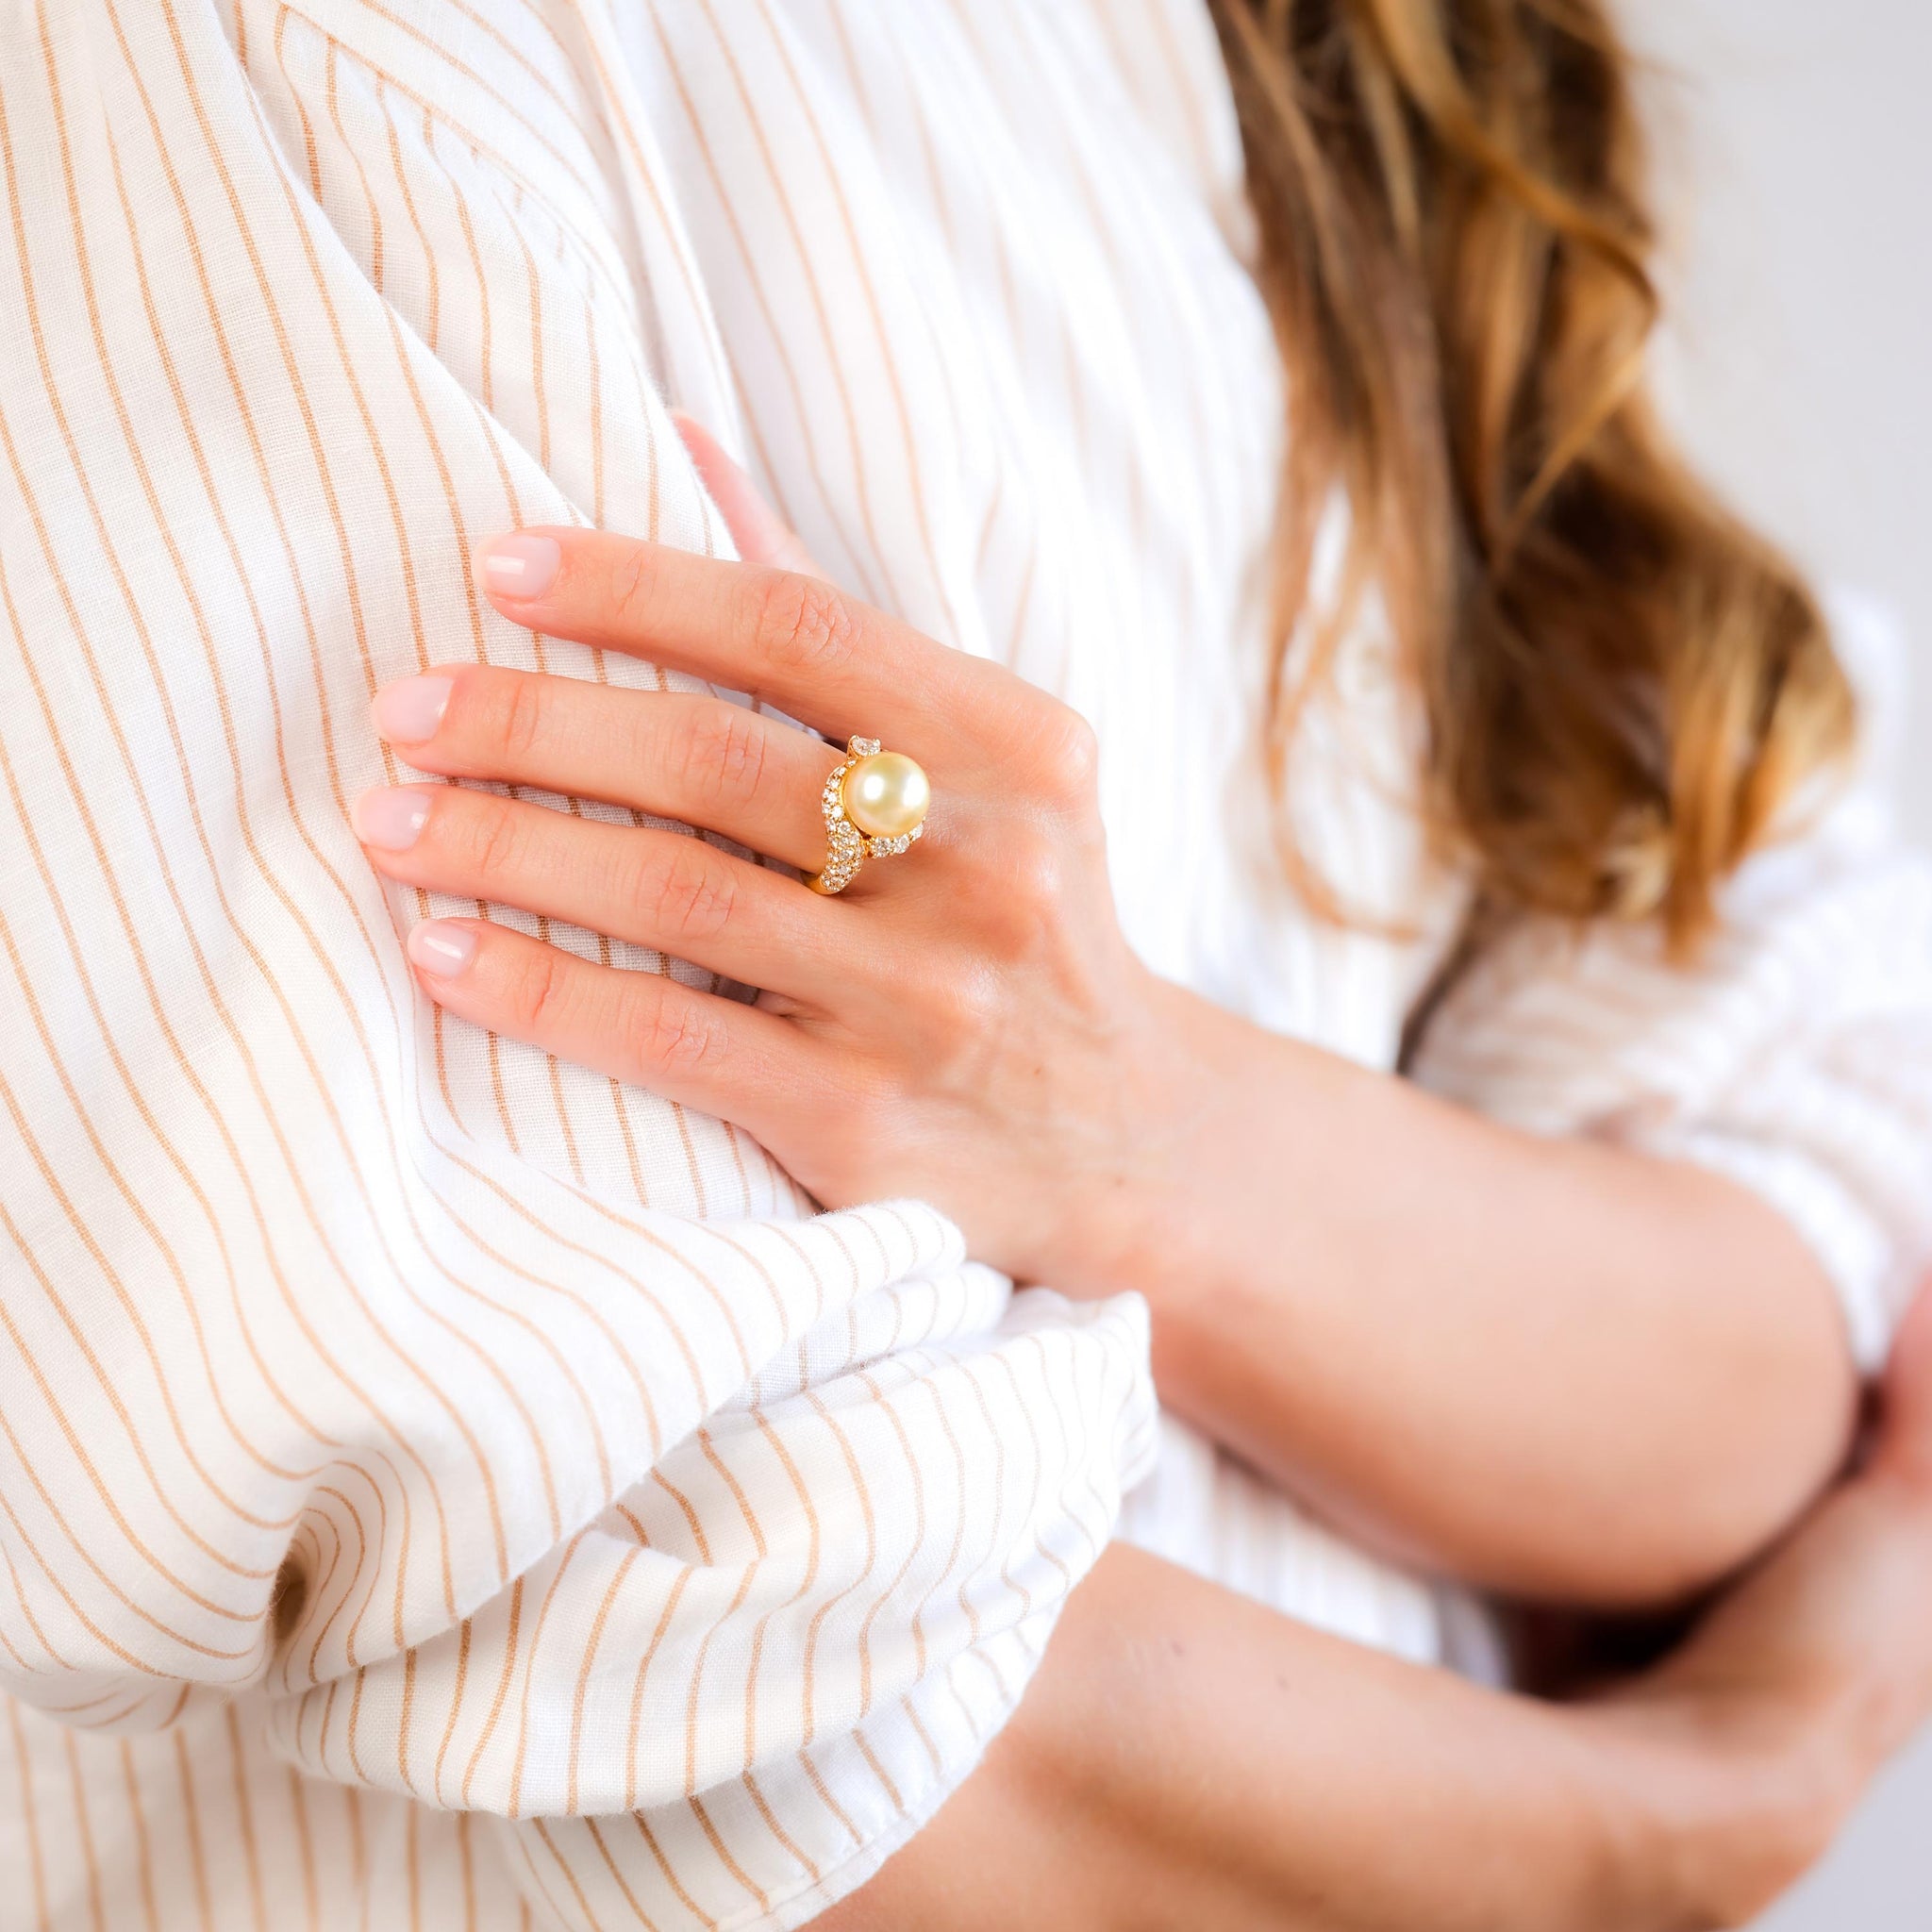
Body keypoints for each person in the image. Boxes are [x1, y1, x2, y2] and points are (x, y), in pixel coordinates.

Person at [2, 3, 1928, 1929]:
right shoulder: (295, 44)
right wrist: (1663, 1824)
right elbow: (727, 1641)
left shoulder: (1378, 81)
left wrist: (1137, 1123)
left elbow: (1788, 1331)